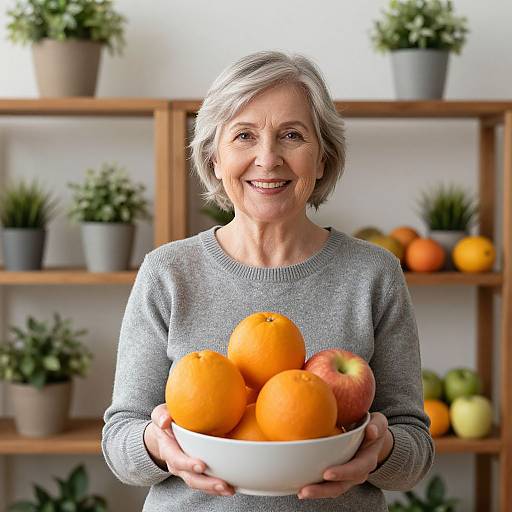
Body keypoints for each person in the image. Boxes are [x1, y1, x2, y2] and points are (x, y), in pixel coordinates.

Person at [102, 50, 434, 511]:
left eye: (292, 135)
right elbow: (121, 440)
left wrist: (381, 449)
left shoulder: (374, 274)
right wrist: (156, 444)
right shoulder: (167, 273)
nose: (268, 158)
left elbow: (414, 447)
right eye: (244, 136)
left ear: (322, 159)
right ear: (215, 158)